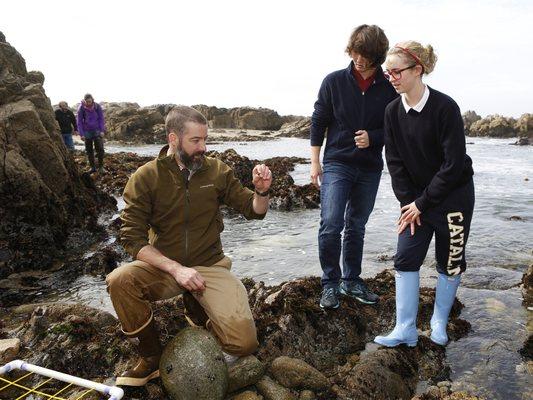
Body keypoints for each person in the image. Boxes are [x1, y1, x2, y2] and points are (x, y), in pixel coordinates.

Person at [106, 106, 272, 386]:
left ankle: (196, 310)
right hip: (165, 268)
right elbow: (131, 239)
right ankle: (150, 357)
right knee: (120, 280)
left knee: (244, 344)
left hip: (209, 265)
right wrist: (176, 269)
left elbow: (253, 210)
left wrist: (262, 191)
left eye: (205, 140)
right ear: (173, 138)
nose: (203, 147)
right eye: (196, 141)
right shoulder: (146, 177)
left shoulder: (217, 171)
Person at [374, 41, 474, 348]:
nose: (390, 77)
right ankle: (404, 327)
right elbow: (394, 162)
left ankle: (438, 322)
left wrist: (422, 202)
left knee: (451, 261)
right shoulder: (392, 111)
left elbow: (454, 164)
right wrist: (409, 203)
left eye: (396, 71)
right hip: (415, 202)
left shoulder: (445, 108)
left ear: (417, 70)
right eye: (386, 71)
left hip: (454, 198)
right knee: (405, 258)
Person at [310, 25, 398, 309]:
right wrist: (315, 162)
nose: (358, 61)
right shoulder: (333, 81)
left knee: (356, 226)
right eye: (354, 54)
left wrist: (374, 137)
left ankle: (351, 281)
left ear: (377, 58)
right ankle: (330, 284)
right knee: (331, 224)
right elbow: (318, 120)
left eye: (365, 57)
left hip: (370, 168)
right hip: (336, 164)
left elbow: (396, 128)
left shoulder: (388, 88)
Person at [77, 93, 105, 173]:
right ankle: (92, 167)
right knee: (89, 150)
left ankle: (101, 167)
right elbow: (79, 122)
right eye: (87, 102)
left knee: (100, 149)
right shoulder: (81, 108)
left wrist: (102, 130)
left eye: (90, 101)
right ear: (84, 101)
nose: (88, 103)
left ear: (92, 100)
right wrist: (81, 134)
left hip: (97, 130)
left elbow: (101, 119)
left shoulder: (97, 106)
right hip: (87, 132)